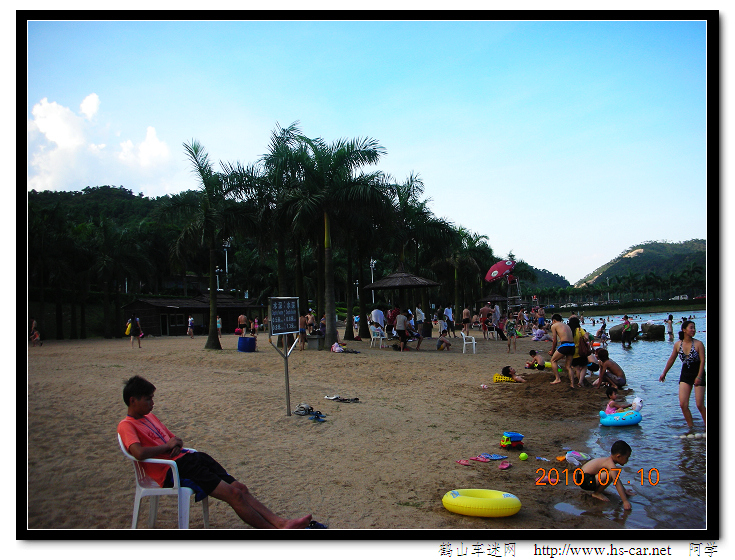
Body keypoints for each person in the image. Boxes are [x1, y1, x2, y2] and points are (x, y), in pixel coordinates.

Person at [117, 376, 314, 529]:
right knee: (234, 495)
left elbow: (174, 440)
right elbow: (139, 452)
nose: (152, 403)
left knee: (241, 488)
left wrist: (173, 444)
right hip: (174, 470)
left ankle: (281, 523)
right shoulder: (126, 425)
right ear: (133, 401)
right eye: (148, 399)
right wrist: (167, 447)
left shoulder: (150, 417)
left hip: (190, 458)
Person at [659, 320, 706, 429]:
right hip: (685, 374)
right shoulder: (678, 344)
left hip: (698, 372)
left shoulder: (698, 344)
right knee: (683, 404)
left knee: (699, 404)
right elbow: (671, 360)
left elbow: (703, 361)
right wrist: (664, 373)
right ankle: (691, 428)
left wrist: (699, 376)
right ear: (684, 330)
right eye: (691, 328)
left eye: (694, 328)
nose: (693, 330)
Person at [573, 440, 634, 510]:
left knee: (612, 474)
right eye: (627, 458)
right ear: (618, 456)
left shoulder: (608, 461)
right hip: (585, 480)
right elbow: (617, 482)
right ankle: (597, 493)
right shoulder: (610, 464)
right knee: (611, 474)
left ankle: (598, 490)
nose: (627, 460)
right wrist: (625, 501)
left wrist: (624, 490)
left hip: (582, 477)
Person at [548, 314, 575, 385]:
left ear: (553, 320)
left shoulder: (554, 326)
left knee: (553, 360)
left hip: (565, 345)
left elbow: (555, 340)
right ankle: (572, 383)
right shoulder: (566, 325)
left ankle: (557, 378)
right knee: (568, 366)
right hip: (572, 346)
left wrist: (552, 351)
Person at [569, 316, 591, 388]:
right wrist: (584, 341)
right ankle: (581, 381)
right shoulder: (579, 329)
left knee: (577, 368)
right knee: (584, 366)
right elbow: (586, 338)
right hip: (581, 351)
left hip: (572, 351)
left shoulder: (569, 330)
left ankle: (580, 381)